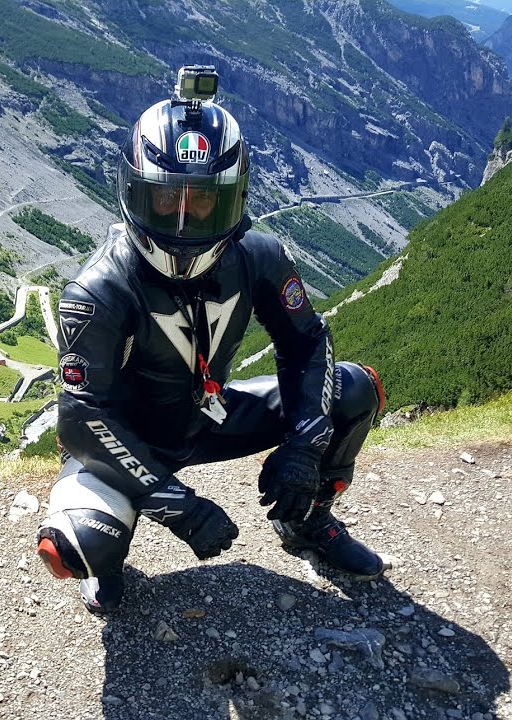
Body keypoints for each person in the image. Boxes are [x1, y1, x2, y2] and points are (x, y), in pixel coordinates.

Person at [36, 66, 388, 614]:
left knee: (358, 390)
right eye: (165, 200)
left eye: (203, 201)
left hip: (212, 414)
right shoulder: (98, 289)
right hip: (133, 437)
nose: (183, 219)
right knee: (75, 546)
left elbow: (308, 344)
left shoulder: (260, 256)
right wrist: (178, 506)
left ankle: (310, 521)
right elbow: (82, 419)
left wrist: (304, 445)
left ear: (235, 198)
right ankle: (106, 557)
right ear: (133, 193)